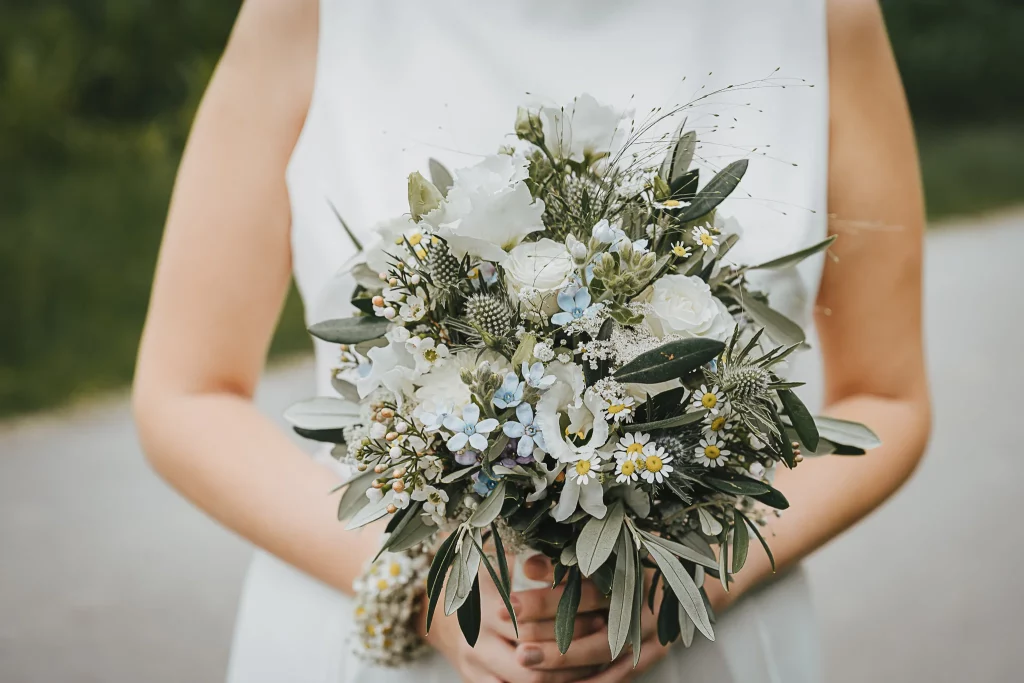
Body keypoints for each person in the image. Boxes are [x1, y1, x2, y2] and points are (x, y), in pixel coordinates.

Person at [132, 1, 931, 681]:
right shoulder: (308, 10)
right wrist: (410, 579)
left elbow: (888, 397)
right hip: (378, 631)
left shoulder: (819, 15)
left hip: (694, 644)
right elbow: (186, 392)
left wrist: (699, 575)